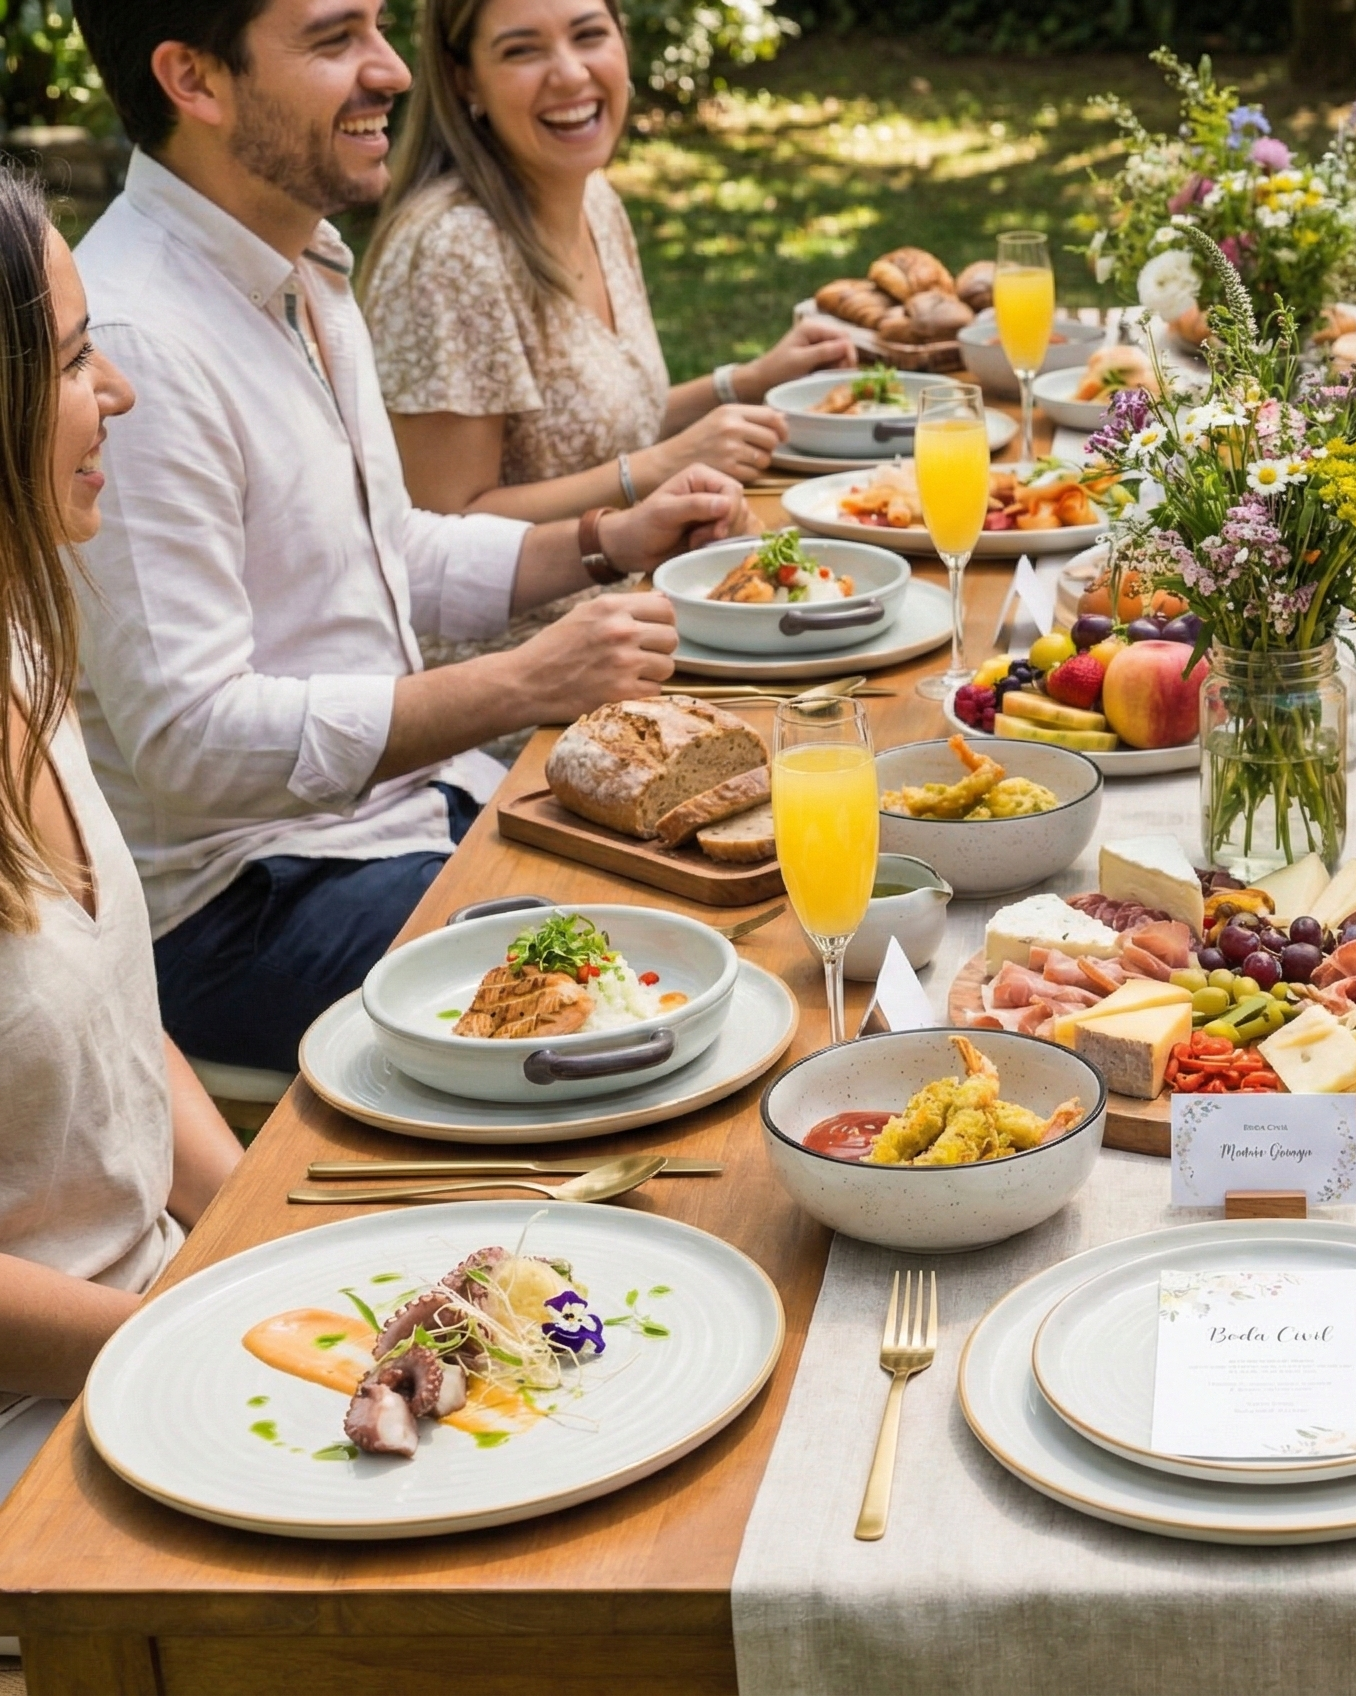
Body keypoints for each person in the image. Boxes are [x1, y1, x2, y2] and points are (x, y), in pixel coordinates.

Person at [67, 0, 750, 1075]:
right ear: (193, 81)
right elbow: (189, 740)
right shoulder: (135, 338)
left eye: (378, 28)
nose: (389, 70)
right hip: (242, 909)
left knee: (737, 871)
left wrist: (608, 537)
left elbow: (388, 558)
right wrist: (522, 684)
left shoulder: (304, 264)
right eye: (335, 40)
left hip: (395, 827)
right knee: (668, 972)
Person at [0, 162, 241, 1511]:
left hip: (156, 1326)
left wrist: (262, 1227)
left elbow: (110, 1033)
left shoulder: (26, 636)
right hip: (43, 1431)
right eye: (79, 359)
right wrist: (195, 1341)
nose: (120, 393)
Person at [365, 0, 857, 531]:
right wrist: (659, 467)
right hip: (551, 614)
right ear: (465, 81)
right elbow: (443, 523)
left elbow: (590, 431)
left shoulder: (593, 198)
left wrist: (744, 382)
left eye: (589, 35)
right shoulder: (449, 253)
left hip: (646, 584)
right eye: (522, 50)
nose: (571, 73)